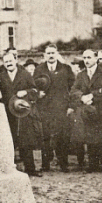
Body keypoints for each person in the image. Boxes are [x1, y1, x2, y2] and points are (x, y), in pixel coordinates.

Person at [0, 50, 42, 176]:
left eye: (10, 61)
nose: (8, 64)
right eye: (6, 62)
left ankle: (30, 169)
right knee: (9, 140)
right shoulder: (1, 76)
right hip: (7, 112)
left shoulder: (25, 74)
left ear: (16, 60)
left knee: (26, 141)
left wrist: (26, 92)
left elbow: (35, 91)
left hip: (23, 113)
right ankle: (9, 169)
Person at [70, 50, 102, 173]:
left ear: (96, 58)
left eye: (89, 57)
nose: (86, 60)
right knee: (89, 136)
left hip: (101, 109)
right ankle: (93, 164)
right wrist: (82, 97)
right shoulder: (81, 75)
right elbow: (73, 90)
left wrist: (92, 96)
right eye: (84, 58)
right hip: (87, 110)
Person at [33, 43, 75, 172]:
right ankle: (46, 164)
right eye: (48, 53)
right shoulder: (39, 69)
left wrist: (71, 106)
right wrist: (37, 94)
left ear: (57, 54)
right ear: (44, 55)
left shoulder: (66, 69)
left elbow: (73, 88)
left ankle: (63, 163)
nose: (51, 55)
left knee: (63, 137)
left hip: (61, 108)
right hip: (44, 108)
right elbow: (33, 86)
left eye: (53, 53)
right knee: (45, 136)